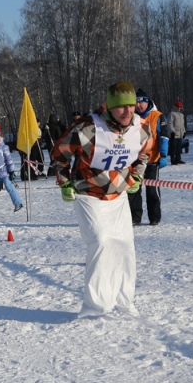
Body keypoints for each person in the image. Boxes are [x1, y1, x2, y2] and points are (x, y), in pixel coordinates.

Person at [50, 81, 153, 318]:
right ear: (107, 106)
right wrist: (64, 181)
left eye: (131, 106)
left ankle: (125, 302)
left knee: (125, 246)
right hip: (89, 195)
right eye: (121, 107)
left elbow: (145, 153)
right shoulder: (87, 129)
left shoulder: (141, 128)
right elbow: (59, 155)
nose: (128, 112)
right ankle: (94, 307)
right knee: (102, 241)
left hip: (118, 196)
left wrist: (137, 174)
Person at [129, 88, 168, 226]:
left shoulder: (157, 116)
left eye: (142, 102)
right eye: (136, 102)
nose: (139, 105)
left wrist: (163, 155)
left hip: (152, 159)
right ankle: (135, 217)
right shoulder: (131, 117)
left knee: (152, 190)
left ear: (147, 102)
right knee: (133, 189)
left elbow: (164, 136)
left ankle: (154, 217)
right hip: (135, 160)